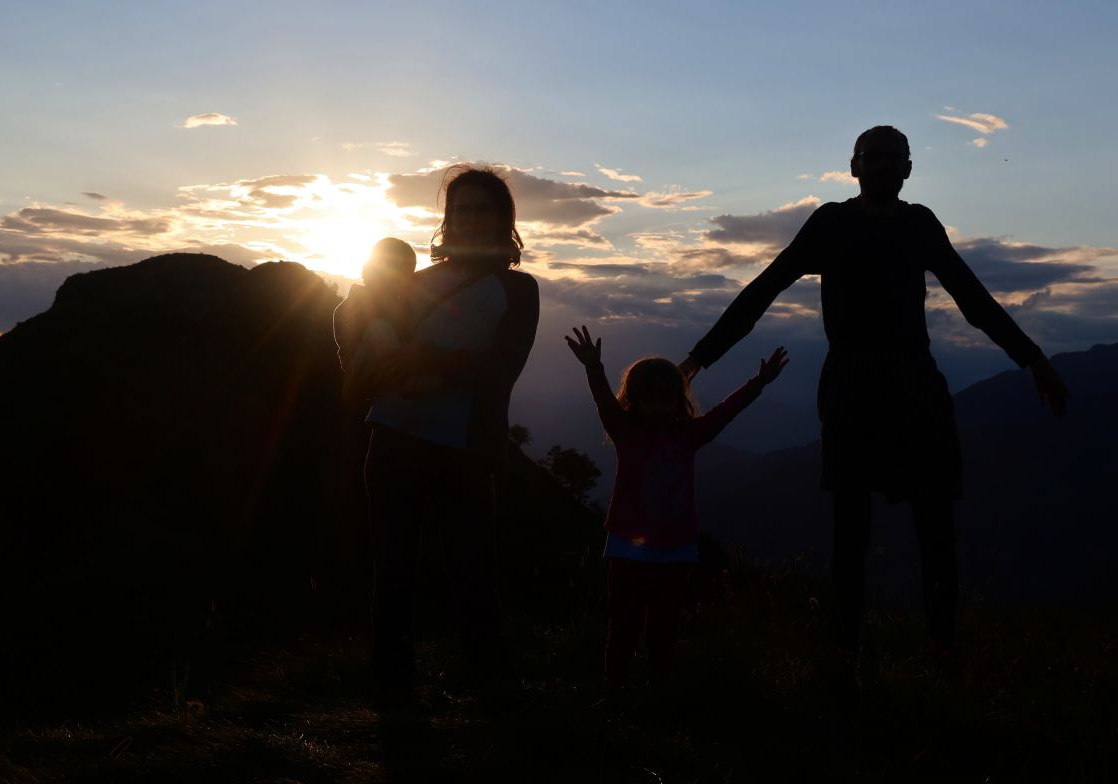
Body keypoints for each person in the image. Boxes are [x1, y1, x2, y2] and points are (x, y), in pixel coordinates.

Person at [678, 125, 1070, 671]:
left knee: (935, 523)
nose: (885, 166)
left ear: (908, 169)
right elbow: (764, 289)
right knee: (851, 528)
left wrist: (1034, 360)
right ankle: (846, 650)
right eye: (874, 157)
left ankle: (941, 644)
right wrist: (698, 360)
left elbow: (974, 300)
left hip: (913, 381)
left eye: (895, 158)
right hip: (852, 384)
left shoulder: (920, 225)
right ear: (854, 166)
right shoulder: (831, 224)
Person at [342, 166, 539, 696]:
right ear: (447, 219)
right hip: (393, 435)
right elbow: (378, 345)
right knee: (393, 568)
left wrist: (424, 358)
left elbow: (502, 367)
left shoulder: (519, 290)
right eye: (462, 209)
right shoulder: (412, 284)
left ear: (503, 219)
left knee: (473, 570)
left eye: (483, 209)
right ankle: (392, 687)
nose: (472, 218)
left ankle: (489, 682)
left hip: (466, 447)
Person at [566, 325, 788, 688]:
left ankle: (657, 688)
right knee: (623, 623)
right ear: (633, 401)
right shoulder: (627, 432)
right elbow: (604, 402)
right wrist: (593, 367)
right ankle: (616, 686)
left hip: (674, 549)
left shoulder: (689, 435)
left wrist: (758, 382)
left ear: (678, 402)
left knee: (664, 627)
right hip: (628, 547)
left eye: (666, 400)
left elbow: (724, 412)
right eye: (649, 400)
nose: (658, 408)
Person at [332, 237, 418, 402]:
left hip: (384, 368)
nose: (399, 280)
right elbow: (352, 340)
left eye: (406, 274)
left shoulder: (399, 303)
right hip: (363, 366)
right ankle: (408, 384)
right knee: (379, 327)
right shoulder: (354, 304)